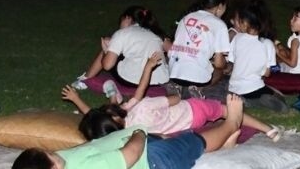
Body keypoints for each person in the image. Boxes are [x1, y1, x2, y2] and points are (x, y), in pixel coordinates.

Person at [4, 94, 246, 169]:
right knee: (189, 141)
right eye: (49, 155)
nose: (53, 153)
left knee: (167, 140)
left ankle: (222, 149)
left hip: (139, 155)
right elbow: (132, 152)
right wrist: (139, 132)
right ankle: (232, 123)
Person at [61, 51, 284, 142]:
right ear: (115, 117)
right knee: (229, 110)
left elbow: (97, 120)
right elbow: (170, 100)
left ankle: (231, 136)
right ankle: (268, 129)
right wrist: (175, 95)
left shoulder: (127, 135)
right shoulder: (144, 106)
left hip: (184, 127)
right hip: (194, 109)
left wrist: (75, 99)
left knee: (120, 100)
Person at [75, 5, 170, 89]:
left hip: (133, 81)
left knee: (109, 44)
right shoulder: (156, 34)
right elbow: (172, 50)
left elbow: (107, 66)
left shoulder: (122, 33)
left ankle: (85, 80)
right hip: (160, 81)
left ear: (127, 18)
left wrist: (105, 51)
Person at [168, 0, 230, 92]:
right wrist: (226, 64)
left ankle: (180, 88)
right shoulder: (219, 25)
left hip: (174, 73)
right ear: (220, 6)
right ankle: (199, 89)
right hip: (198, 79)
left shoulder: (186, 18)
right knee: (220, 70)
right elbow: (219, 64)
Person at [227, 0, 285, 111]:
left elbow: (232, 63)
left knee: (263, 90)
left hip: (233, 88)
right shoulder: (267, 44)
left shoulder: (237, 38)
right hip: (254, 88)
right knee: (279, 96)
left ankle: (243, 100)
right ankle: (254, 101)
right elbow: (267, 73)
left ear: (247, 23)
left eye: (242, 21)